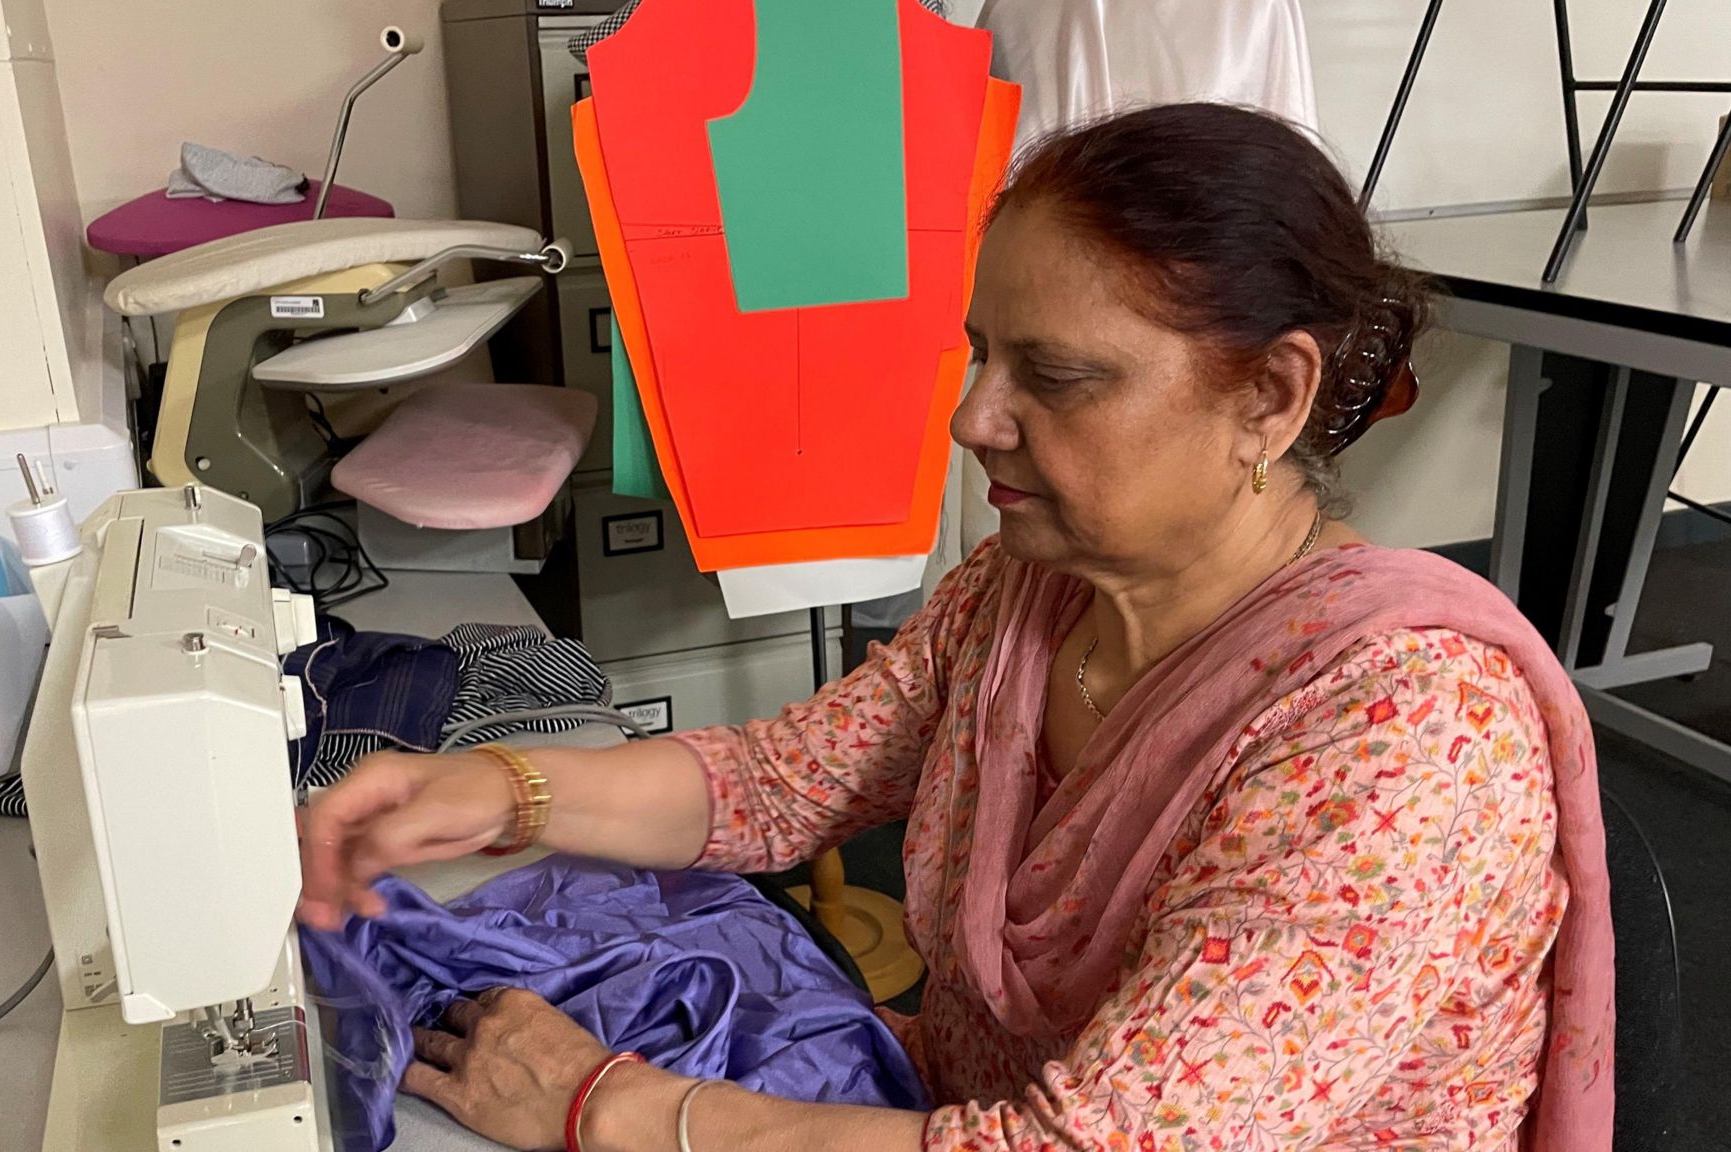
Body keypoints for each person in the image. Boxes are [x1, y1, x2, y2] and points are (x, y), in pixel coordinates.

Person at [297, 104, 1615, 1152]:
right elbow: (781, 781)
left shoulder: (1404, 731)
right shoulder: (1034, 590)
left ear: (1269, 396)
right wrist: (496, 791)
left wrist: (608, 1108)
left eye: (1054, 377)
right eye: (982, 355)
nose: (975, 418)